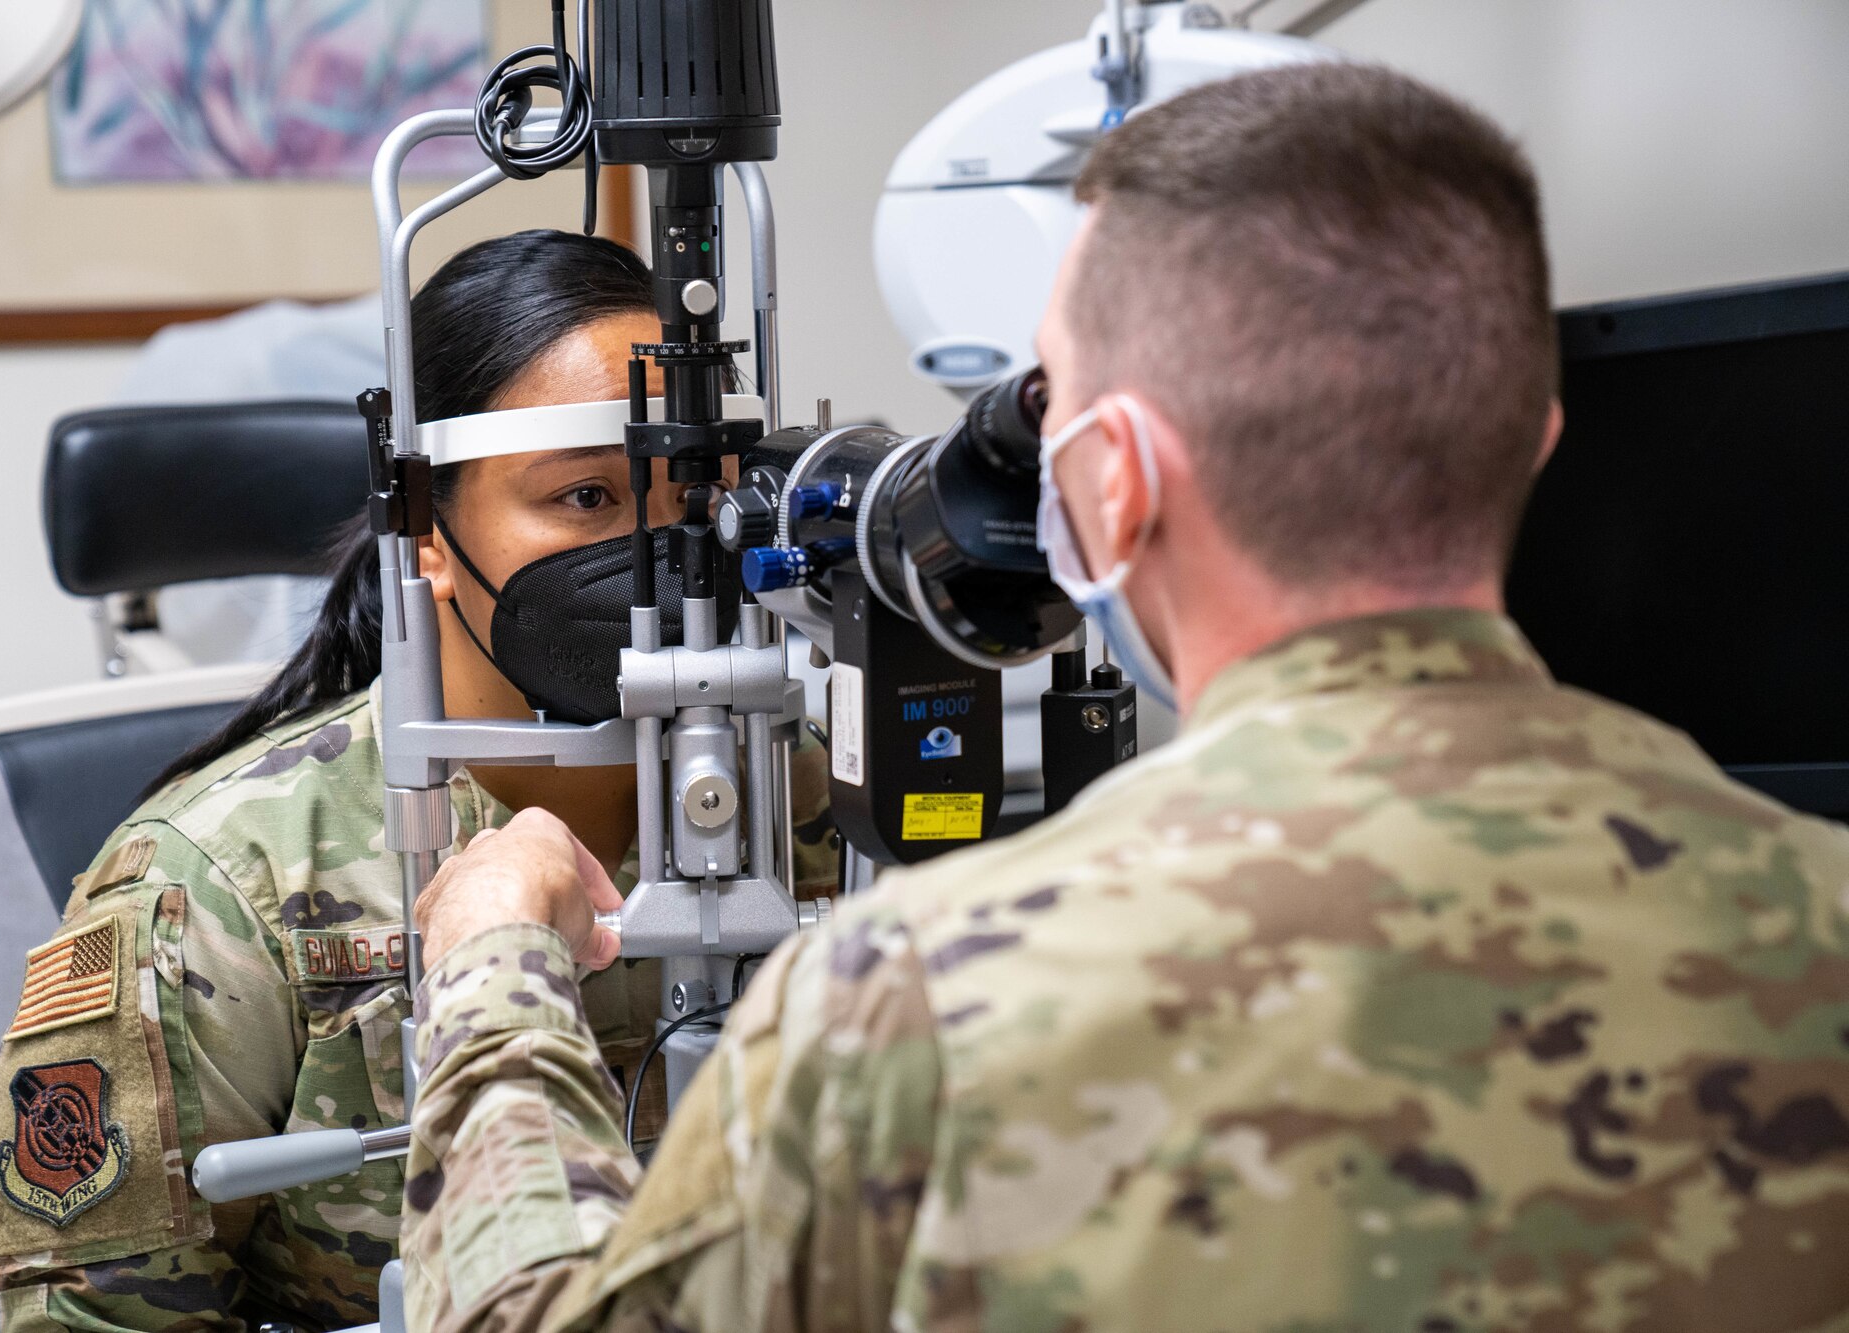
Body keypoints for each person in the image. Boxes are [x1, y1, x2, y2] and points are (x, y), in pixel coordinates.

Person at [398, 63, 1849, 1332]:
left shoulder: (917, 1003)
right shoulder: (1823, 910)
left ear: (1116, 481)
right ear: (1533, 440)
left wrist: (490, 969)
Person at [0, 230, 838, 1331]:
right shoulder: (220, 883)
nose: (656, 552)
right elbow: (100, 1318)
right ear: (423, 522)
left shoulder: (811, 801)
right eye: (585, 498)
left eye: (689, 499)